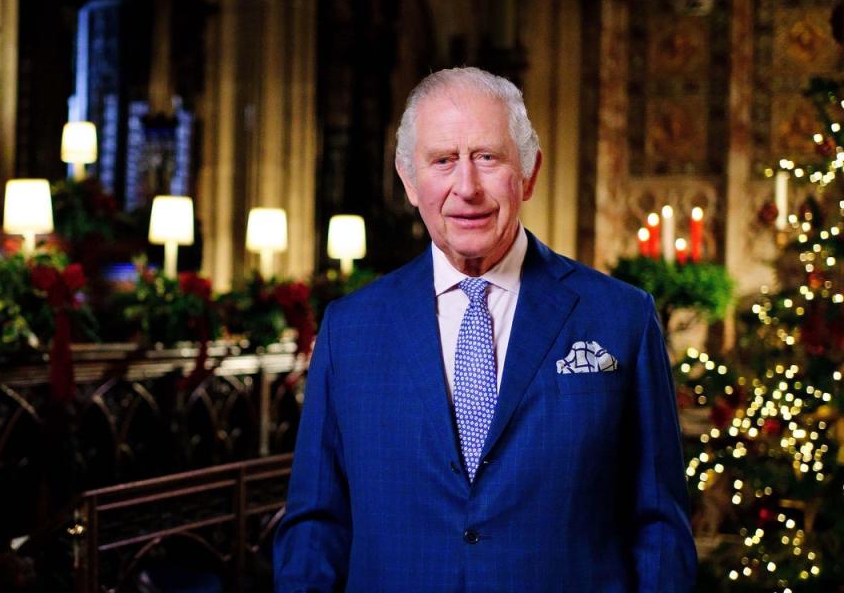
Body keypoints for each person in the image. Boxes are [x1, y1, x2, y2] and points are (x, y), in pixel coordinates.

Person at [273, 67, 696, 592]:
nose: (466, 187)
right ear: (408, 180)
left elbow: (658, 526)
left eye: (488, 158)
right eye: (443, 160)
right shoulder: (349, 329)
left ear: (530, 173)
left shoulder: (621, 317)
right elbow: (316, 526)